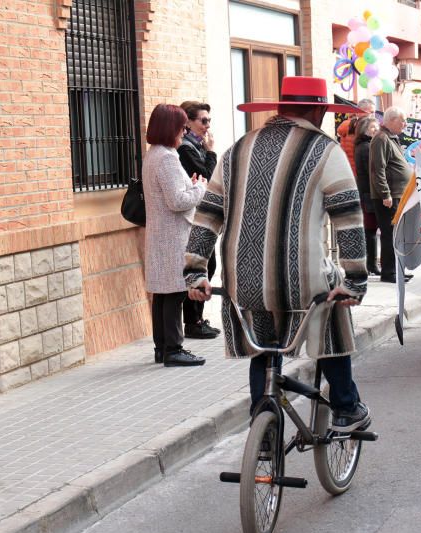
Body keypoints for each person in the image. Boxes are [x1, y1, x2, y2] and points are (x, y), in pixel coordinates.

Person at [184, 76, 371, 432]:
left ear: (279, 110)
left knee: (265, 348)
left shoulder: (237, 150)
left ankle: (264, 426)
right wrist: (356, 281)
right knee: (331, 309)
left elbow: (207, 215)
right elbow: (348, 219)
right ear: (317, 111)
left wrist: (194, 272)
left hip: (244, 282)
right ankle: (346, 407)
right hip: (303, 284)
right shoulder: (325, 150)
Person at [142, 104, 207, 367]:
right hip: (172, 235)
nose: (184, 131)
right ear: (171, 127)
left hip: (160, 233)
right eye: (181, 126)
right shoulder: (167, 157)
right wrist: (200, 188)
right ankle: (174, 349)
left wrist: (189, 186)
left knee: (162, 293)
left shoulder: (153, 154)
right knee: (174, 292)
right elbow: (178, 201)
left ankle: (162, 348)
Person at [177, 101, 220, 340]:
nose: (207, 125)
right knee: (200, 267)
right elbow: (210, 179)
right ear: (188, 122)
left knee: (208, 265)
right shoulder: (185, 149)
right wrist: (212, 152)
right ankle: (192, 322)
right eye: (203, 121)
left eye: (208, 121)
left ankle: (197, 319)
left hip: (202, 216)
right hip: (192, 218)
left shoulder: (197, 147)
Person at [369, 107, 412, 283]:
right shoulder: (381, 139)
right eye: (403, 120)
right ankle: (389, 272)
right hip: (388, 197)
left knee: (397, 235)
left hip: (397, 195)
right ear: (392, 120)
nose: (405, 124)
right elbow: (377, 169)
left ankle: (398, 270)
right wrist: (385, 194)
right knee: (390, 235)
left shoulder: (391, 138)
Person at [353, 116, 381, 276]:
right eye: (373, 128)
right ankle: (370, 265)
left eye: (377, 127)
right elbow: (374, 172)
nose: (376, 130)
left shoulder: (364, 145)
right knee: (370, 232)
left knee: (370, 232)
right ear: (365, 130)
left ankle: (370, 264)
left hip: (367, 193)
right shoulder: (366, 147)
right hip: (368, 194)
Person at [337, 98, 375, 177]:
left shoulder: (348, 124)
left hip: (348, 170)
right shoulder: (361, 127)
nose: (373, 115)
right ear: (360, 112)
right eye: (371, 112)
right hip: (359, 172)